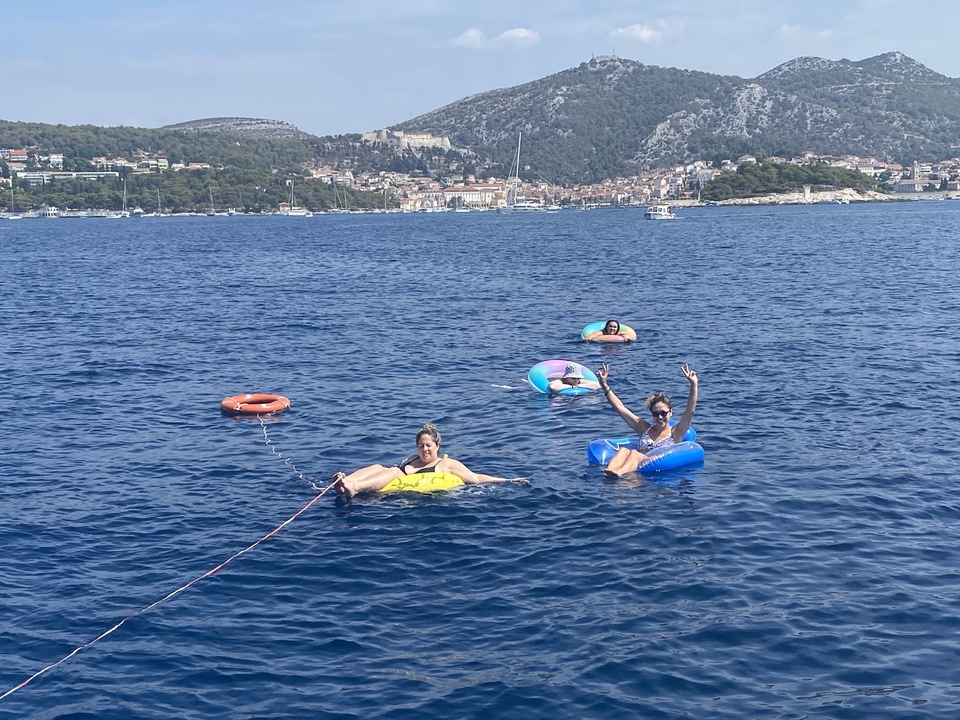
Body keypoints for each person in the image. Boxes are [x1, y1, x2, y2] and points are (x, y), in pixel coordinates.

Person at [332, 423, 526, 498]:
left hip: (401, 495)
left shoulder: (447, 464)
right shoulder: (412, 458)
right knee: (377, 466)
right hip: (389, 485)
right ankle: (345, 482)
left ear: (437, 446)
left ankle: (354, 487)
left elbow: (475, 478)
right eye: (421, 446)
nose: (424, 449)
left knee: (392, 472)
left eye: (428, 446)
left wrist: (507, 480)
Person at [596, 363, 698, 477]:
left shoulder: (676, 432)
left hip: (646, 474)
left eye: (663, 413)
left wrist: (693, 384)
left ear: (671, 412)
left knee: (635, 453)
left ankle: (619, 472)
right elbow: (620, 408)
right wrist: (604, 386)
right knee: (624, 450)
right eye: (656, 413)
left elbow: (690, 411)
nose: (660, 417)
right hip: (634, 469)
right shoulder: (644, 427)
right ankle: (608, 472)